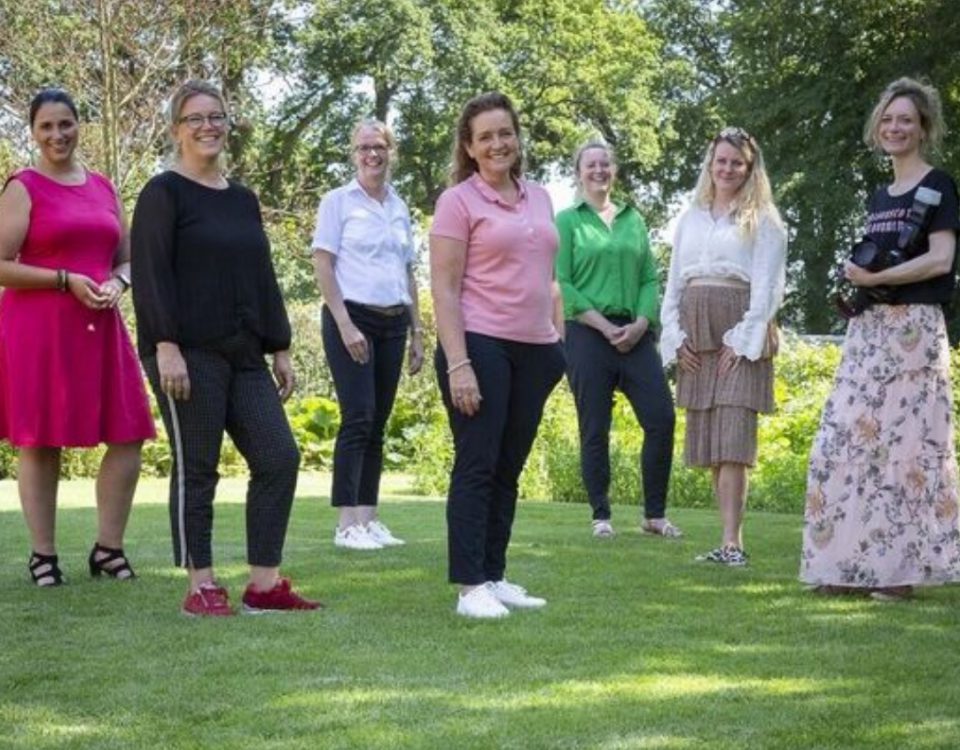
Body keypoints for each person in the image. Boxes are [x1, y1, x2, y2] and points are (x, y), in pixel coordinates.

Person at [131, 80, 319, 616]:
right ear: (176, 130)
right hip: (186, 352)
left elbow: (261, 274)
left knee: (279, 456)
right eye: (195, 119)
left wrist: (279, 345)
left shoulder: (242, 200)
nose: (208, 126)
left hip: (244, 352)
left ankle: (263, 584)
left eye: (216, 116)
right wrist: (166, 345)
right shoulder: (162, 193)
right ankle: (201, 585)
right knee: (200, 466)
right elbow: (150, 276)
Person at [800, 78, 960, 600]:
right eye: (889, 119)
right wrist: (861, 279)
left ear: (923, 128)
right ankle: (847, 567)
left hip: (915, 329)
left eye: (906, 120)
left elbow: (941, 260)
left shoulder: (939, 185)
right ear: (878, 127)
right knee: (844, 442)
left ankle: (898, 575)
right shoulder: (878, 196)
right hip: (869, 330)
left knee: (907, 451)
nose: (896, 128)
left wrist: (872, 278)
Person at [0, 88, 154, 587]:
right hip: (39, 331)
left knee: (130, 433)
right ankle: (43, 555)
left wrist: (118, 282)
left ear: (78, 125)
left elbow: (127, 258)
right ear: (33, 132)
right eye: (45, 127)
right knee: (41, 441)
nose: (57, 135)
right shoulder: (22, 187)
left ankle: (109, 549)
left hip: (100, 326)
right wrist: (65, 279)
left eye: (65, 124)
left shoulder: (104, 187)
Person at [430, 91, 565, 619]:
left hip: (535, 350)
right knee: (478, 463)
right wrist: (459, 363)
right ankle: (469, 587)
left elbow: (549, 278)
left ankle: (494, 573)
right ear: (469, 146)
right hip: (480, 344)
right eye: (485, 136)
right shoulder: (458, 202)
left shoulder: (540, 197)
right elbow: (443, 289)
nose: (497, 143)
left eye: (504, 132)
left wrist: (557, 342)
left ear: (517, 137)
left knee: (509, 467)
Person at [660, 127, 787, 567]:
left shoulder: (763, 218)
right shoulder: (692, 216)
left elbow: (768, 286)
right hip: (696, 333)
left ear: (750, 168)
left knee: (733, 437)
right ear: (710, 165)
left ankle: (734, 543)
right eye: (721, 161)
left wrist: (745, 337)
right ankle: (724, 538)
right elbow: (675, 280)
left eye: (737, 162)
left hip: (740, 333)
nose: (728, 169)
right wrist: (674, 336)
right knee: (712, 442)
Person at [555, 140, 679, 539]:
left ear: (614, 170)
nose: (599, 170)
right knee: (595, 426)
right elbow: (563, 284)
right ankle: (601, 515)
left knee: (661, 418)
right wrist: (604, 328)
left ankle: (654, 516)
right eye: (591, 165)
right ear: (579, 172)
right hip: (588, 333)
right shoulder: (567, 221)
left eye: (605, 164)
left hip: (636, 332)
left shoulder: (633, 220)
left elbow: (648, 278)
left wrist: (641, 324)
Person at [312, 119, 424, 551]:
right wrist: (344, 324)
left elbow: (408, 271)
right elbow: (323, 264)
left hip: (394, 320)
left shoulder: (398, 206)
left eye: (379, 146)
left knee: (377, 421)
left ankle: (369, 518)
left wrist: (417, 330)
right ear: (353, 153)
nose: (371, 154)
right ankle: (346, 525)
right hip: (352, 317)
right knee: (357, 416)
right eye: (363, 148)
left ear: (390, 151)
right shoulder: (338, 202)